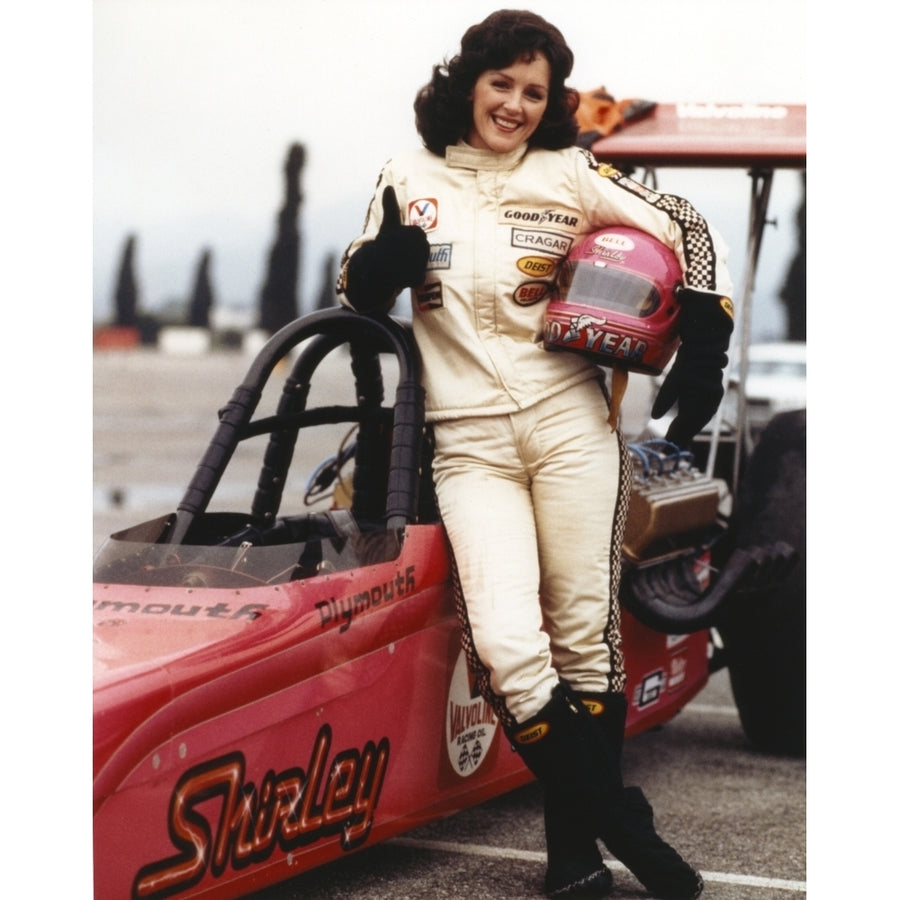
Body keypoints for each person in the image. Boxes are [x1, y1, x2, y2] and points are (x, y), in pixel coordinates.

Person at [337, 10, 733, 899]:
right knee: (513, 651)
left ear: (550, 103)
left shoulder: (567, 170)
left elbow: (684, 224)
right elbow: (351, 281)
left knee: (585, 647)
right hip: (468, 444)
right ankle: (630, 833)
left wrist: (706, 341)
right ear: (467, 81)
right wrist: (376, 270)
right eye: (502, 84)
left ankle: (573, 864)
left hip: (568, 427)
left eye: (535, 92)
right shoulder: (407, 174)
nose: (515, 105)